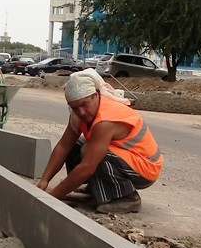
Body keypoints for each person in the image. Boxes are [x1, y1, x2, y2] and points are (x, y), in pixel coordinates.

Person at [37, 68, 163, 214]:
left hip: (146, 168)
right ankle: (97, 189)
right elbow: (63, 146)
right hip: (125, 159)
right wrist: (44, 180)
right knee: (77, 146)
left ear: (96, 96)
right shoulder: (78, 115)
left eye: (84, 105)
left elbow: (87, 167)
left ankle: (128, 198)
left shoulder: (105, 120)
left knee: (90, 152)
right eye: (75, 108)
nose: (81, 112)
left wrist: (51, 198)